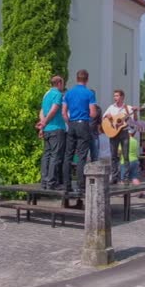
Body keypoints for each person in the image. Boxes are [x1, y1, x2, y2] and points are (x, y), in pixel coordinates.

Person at [62, 70, 97, 201]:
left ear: (76, 78)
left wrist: (69, 122)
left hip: (72, 125)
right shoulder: (89, 93)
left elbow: (64, 112)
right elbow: (93, 113)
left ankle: (66, 185)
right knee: (82, 156)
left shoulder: (68, 93)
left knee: (68, 155)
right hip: (83, 124)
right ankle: (81, 186)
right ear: (87, 79)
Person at [37, 75, 66, 190]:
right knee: (55, 155)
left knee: (46, 155)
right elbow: (54, 109)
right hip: (56, 128)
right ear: (59, 83)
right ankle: (52, 182)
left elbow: (42, 111)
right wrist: (44, 123)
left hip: (47, 130)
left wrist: (42, 126)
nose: (63, 86)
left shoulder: (46, 94)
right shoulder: (58, 94)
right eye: (62, 83)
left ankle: (44, 181)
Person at [103, 89, 136, 185]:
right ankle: (114, 177)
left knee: (125, 156)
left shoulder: (128, 108)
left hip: (124, 133)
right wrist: (108, 117)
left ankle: (125, 178)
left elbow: (133, 122)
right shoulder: (111, 107)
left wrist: (135, 112)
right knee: (113, 156)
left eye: (117, 96)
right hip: (113, 133)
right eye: (114, 96)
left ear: (122, 97)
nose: (115, 98)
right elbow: (104, 118)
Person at [88, 90, 103, 162]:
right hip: (84, 133)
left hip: (94, 134)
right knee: (82, 154)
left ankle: (94, 171)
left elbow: (99, 122)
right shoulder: (83, 107)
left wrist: (99, 130)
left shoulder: (98, 109)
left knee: (95, 153)